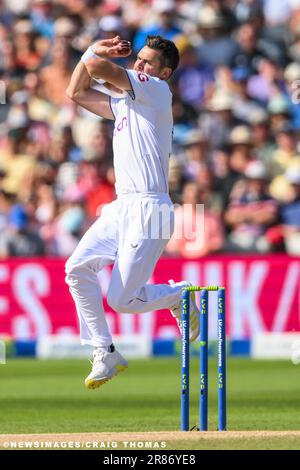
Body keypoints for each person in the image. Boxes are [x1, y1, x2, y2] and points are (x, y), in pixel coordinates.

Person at [65, 34, 200, 390]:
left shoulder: (156, 91)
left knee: (121, 300)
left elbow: (94, 67)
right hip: (122, 205)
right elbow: (76, 92)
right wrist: (93, 48)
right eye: (138, 59)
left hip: (151, 207)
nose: (139, 65)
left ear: (164, 72)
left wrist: (97, 50)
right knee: (76, 269)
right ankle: (104, 350)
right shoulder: (125, 102)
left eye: (147, 62)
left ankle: (179, 295)